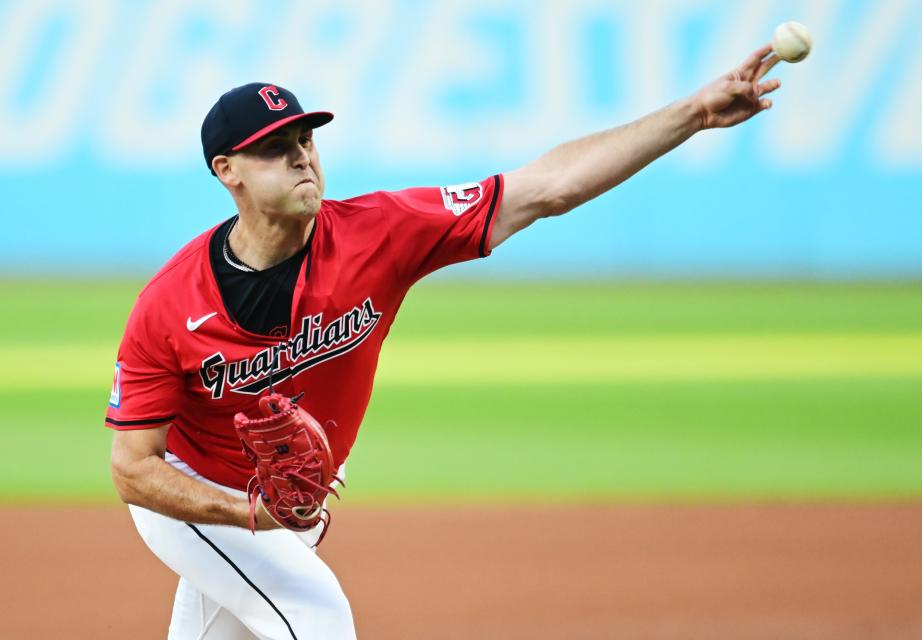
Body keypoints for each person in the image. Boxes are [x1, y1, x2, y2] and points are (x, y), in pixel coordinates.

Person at [107, 44, 782, 639]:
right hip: (196, 497)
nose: (300, 155)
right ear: (228, 171)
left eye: (305, 138)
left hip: (293, 497)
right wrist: (248, 513)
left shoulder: (379, 232)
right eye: (274, 148)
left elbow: (547, 188)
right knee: (315, 615)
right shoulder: (170, 304)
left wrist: (693, 114)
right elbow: (133, 468)